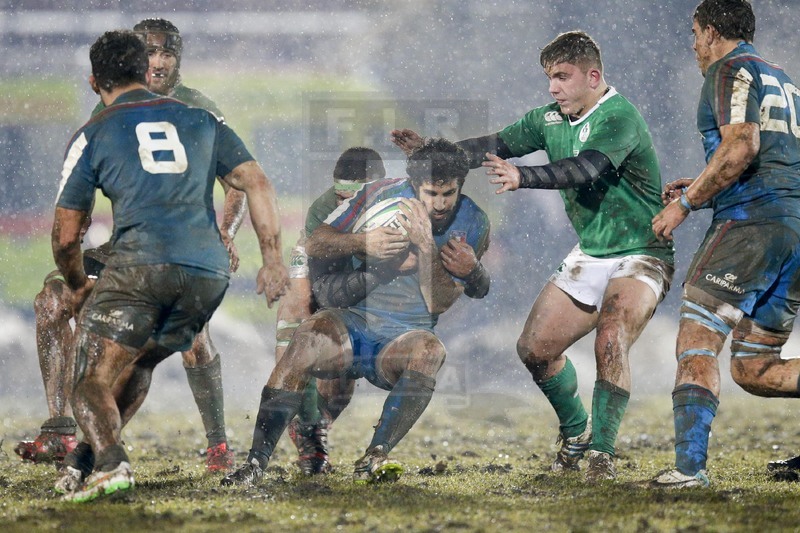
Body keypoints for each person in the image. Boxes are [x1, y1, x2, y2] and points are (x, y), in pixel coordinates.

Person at [391, 30, 674, 483]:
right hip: (592, 251)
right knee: (535, 350)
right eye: (549, 78)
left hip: (642, 250)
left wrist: (523, 178)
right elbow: (491, 147)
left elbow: (586, 169)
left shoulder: (619, 117)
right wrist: (430, 153)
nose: (553, 87)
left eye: (562, 77)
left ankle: (601, 455)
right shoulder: (548, 119)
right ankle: (577, 432)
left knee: (611, 335)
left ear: (593, 76)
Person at [51, 30, 288, 502]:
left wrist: (77, 283)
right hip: (206, 273)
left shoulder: (93, 131)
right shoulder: (200, 117)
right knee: (141, 360)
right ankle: (87, 462)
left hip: (141, 266)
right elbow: (256, 182)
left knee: (89, 381)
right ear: (145, 72)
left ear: (94, 81)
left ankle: (112, 463)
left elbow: (65, 236)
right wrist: (272, 260)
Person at [15, 18, 245, 472]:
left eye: (167, 53)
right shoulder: (109, 109)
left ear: (178, 58)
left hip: (181, 251)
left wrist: (225, 231)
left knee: (191, 336)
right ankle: (60, 430)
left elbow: (240, 181)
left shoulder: (197, 109)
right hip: (128, 251)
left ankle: (218, 444)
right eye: (149, 53)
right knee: (52, 300)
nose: (158, 62)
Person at [221, 138, 491, 487]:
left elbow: (438, 303)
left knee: (431, 351)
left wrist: (426, 246)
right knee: (304, 339)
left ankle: (375, 456)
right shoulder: (374, 194)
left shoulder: (473, 222)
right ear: (412, 184)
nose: (438, 205)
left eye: (448, 194)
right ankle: (256, 463)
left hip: (404, 336)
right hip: (351, 320)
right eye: (429, 194)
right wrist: (364, 242)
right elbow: (315, 242)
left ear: (460, 188)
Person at [649, 0, 800, 488]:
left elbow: (742, 147)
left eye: (694, 33)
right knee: (755, 366)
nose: (693, 45)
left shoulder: (727, 69)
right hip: (793, 228)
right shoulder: (785, 80)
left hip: (750, 225)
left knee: (698, 340)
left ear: (712, 31)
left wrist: (686, 204)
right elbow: (775, 157)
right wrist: (709, 180)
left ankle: (689, 470)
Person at [277, 146, 387, 475]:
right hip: (318, 282)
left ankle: (315, 430)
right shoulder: (323, 210)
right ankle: (312, 445)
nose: (342, 205)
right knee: (292, 367)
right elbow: (305, 290)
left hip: (359, 292)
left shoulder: (399, 205)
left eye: (350, 199)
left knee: (342, 383)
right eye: (339, 195)